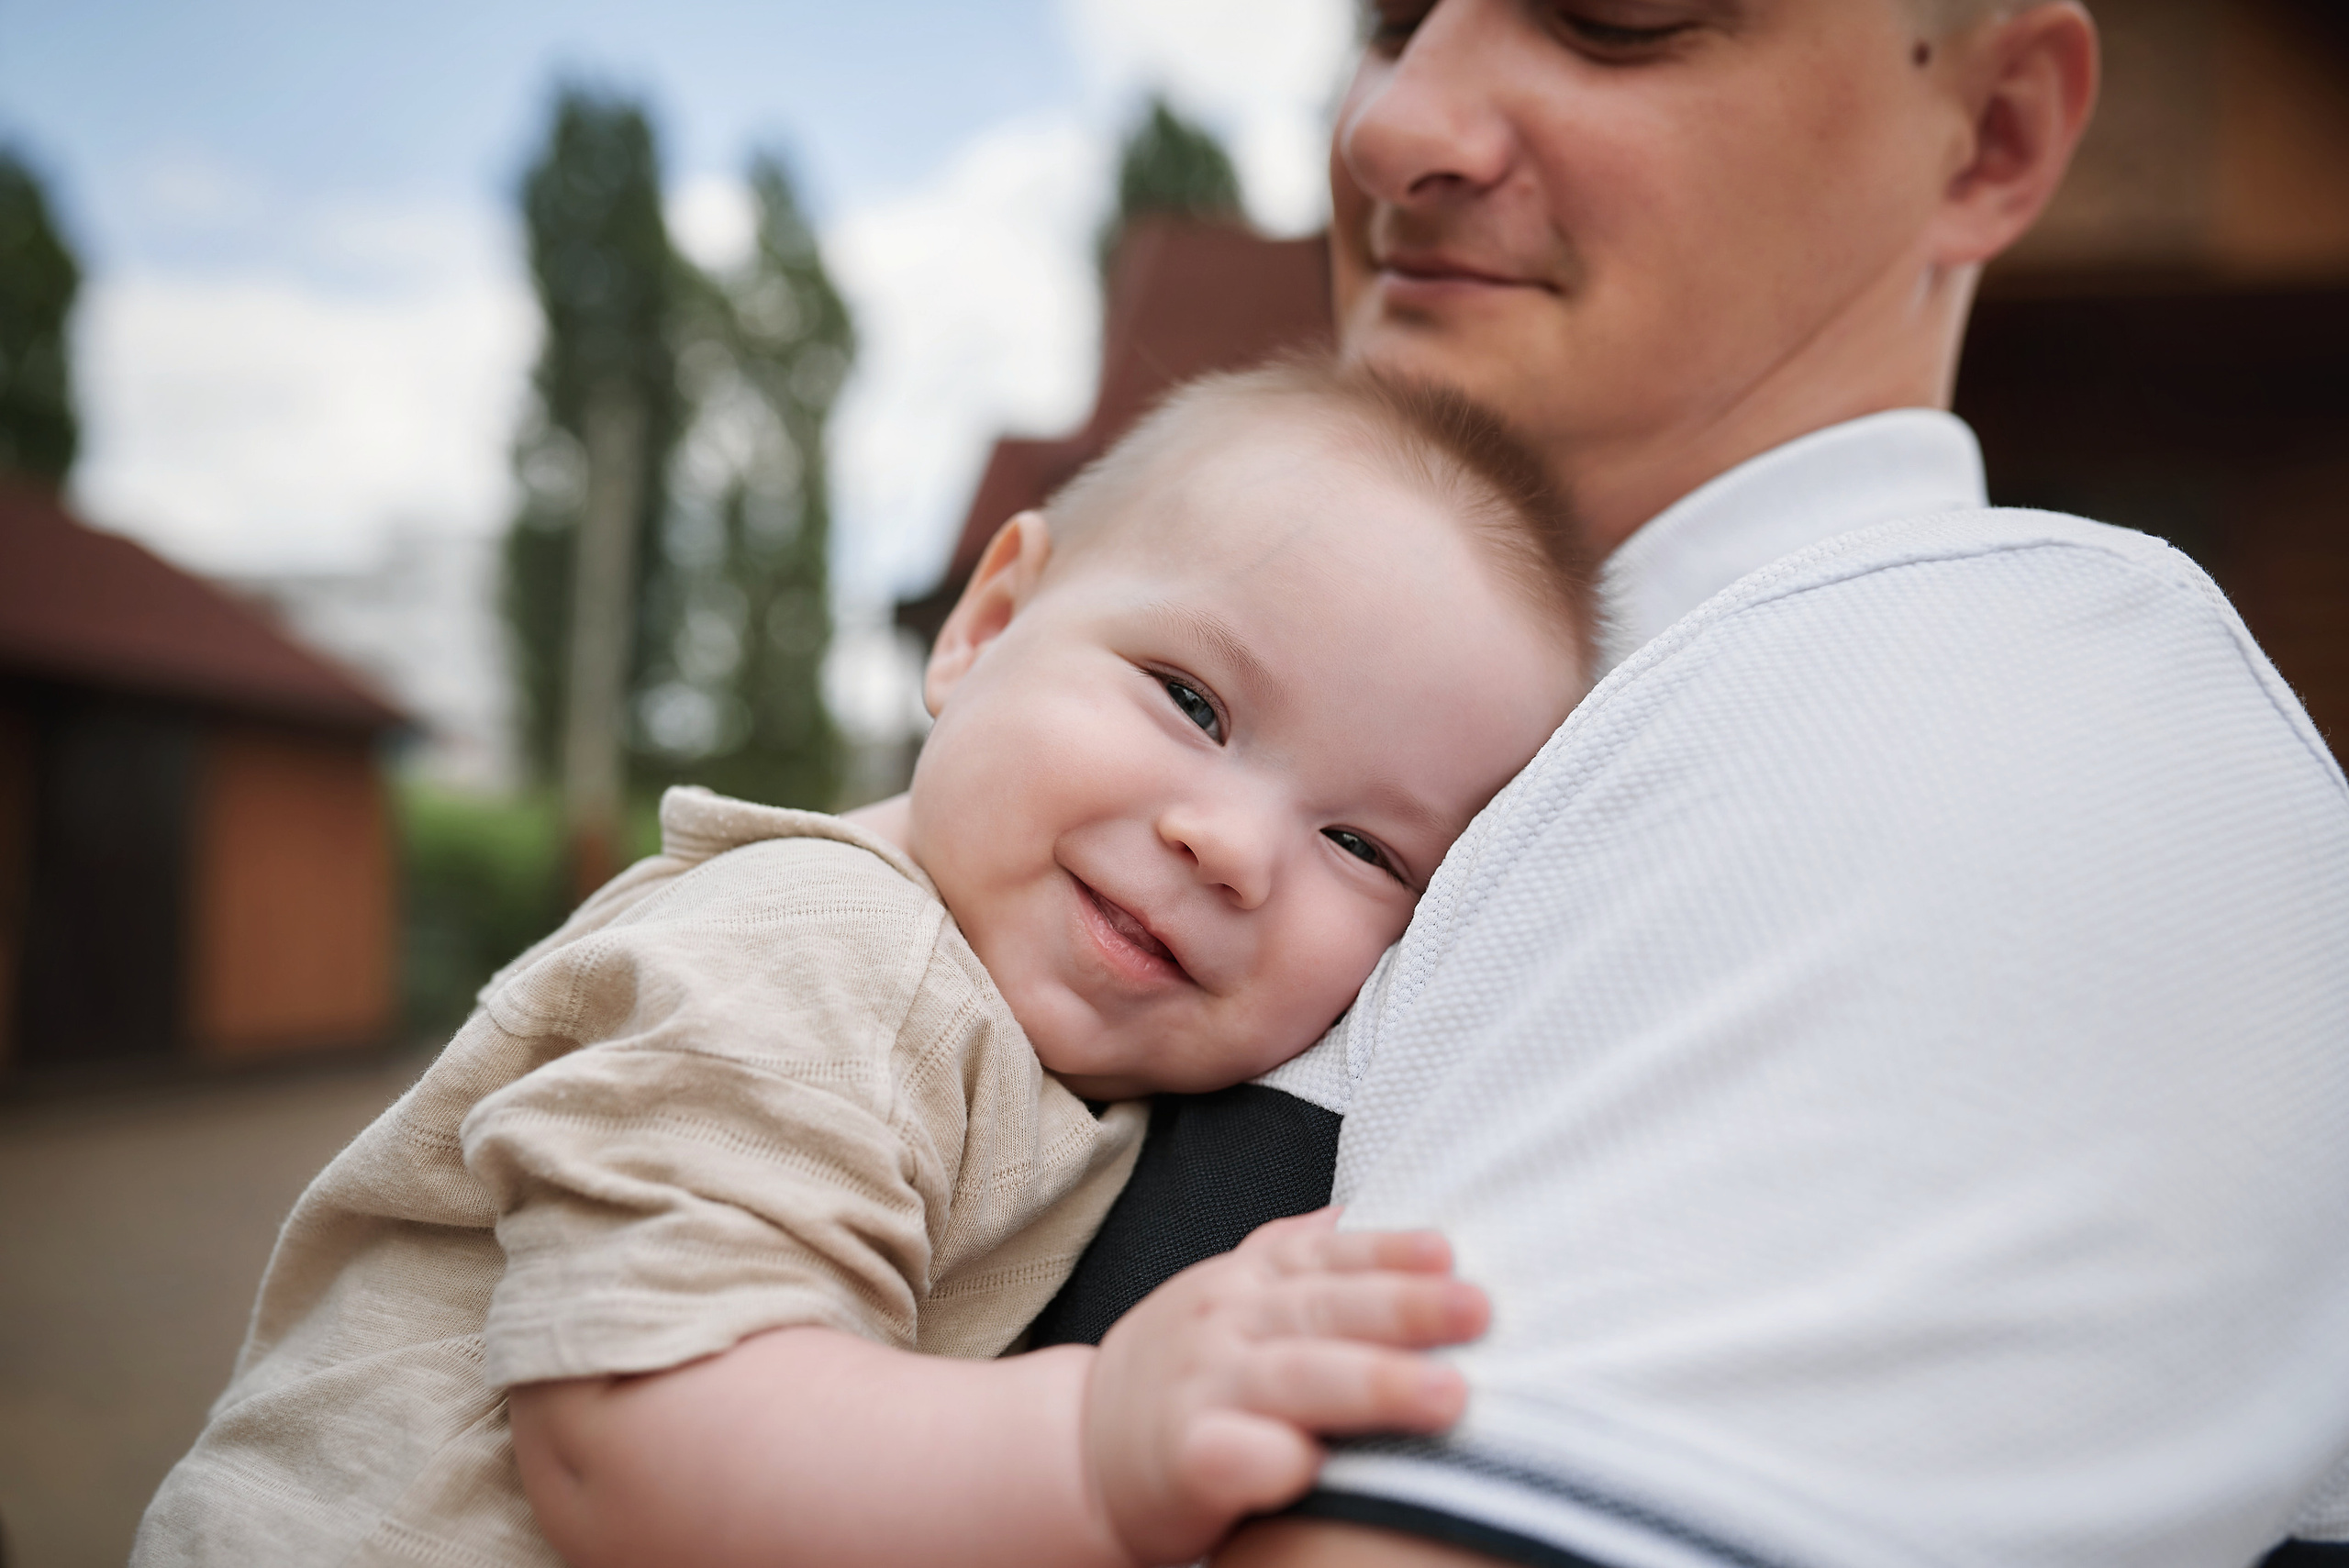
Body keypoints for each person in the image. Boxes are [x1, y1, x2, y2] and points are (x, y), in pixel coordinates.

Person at [1030, 4, 2349, 1565]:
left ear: (1991, 134)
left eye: (1615, 20)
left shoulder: (2009, 731)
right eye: (1391, 18)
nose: (1391, 126)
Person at [134, 361, 1596, 1568]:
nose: (1232, 846)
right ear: (986, 625)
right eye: (1194, 701)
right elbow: (638, 1444)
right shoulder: (826, 957)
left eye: (1362, 844)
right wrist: (1093, 1445)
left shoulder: (1044, 1055)